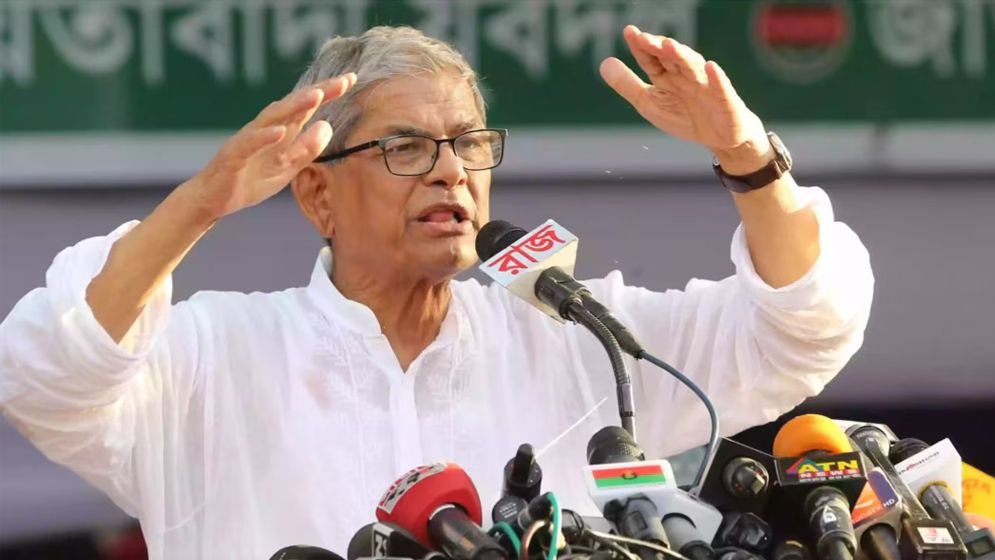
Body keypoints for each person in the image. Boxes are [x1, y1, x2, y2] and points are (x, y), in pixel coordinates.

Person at [0, 25, 873, 559]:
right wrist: (196, 206)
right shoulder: (212, 358)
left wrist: (749, 161)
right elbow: (46, 376)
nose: (451, 171)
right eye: (406, 147)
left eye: (468, 144)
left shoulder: (576, 336)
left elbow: (799, 328)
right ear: (316, 193)